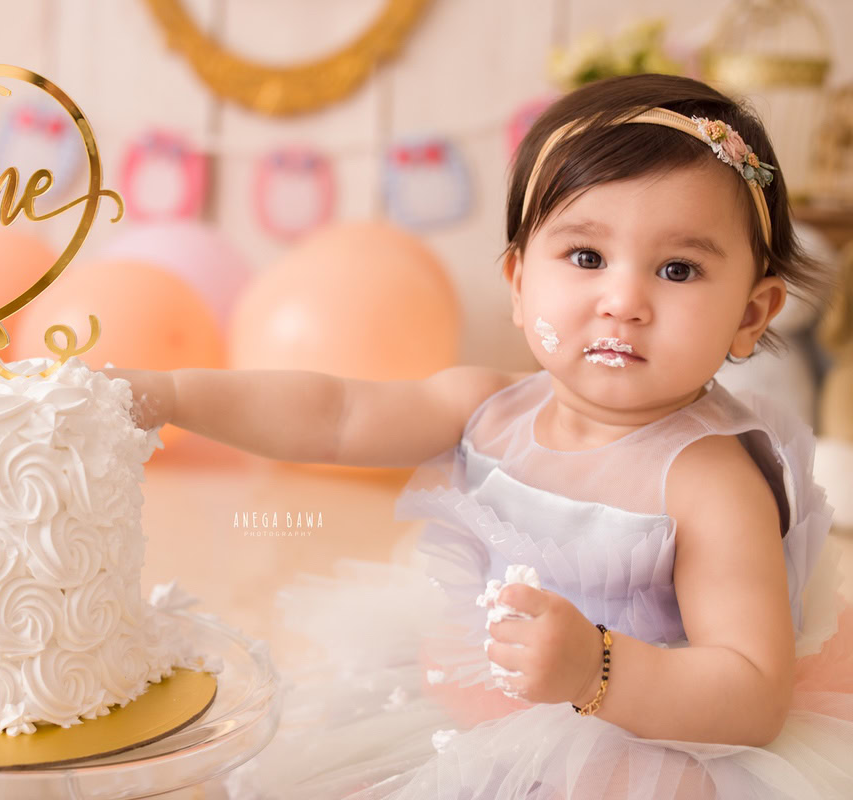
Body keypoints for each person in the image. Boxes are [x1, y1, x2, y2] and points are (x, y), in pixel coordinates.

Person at [103, 74, 853, 799]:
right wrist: (172, 394)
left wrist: (598, 670)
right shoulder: (488, 406)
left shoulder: (708, 479)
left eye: (678, 269)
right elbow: (329, 414)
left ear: (753, 315)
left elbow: (752, 694)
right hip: (473, 710)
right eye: (586, 257)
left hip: (634, 752)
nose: (623, 301)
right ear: (521, 284)